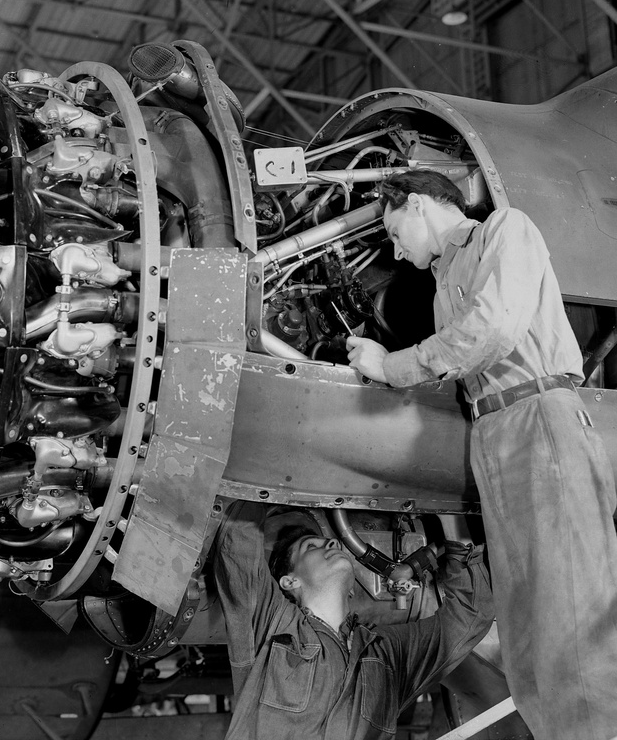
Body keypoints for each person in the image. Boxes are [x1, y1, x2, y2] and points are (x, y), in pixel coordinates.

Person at [346, 170, 617, 740]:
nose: (397, 252)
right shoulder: (445, 284)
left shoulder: (505, 229)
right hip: (494, 435)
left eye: (396, 234)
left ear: (420, 204)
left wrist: (389, 366)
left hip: (538, 420)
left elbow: (492, 328)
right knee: (525, 632)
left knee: (571, 613)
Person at [214, 499, 493, 739]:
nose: (332, 542)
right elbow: (239, 544)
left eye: (328, 542)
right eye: (311, 546)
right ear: (289, 581)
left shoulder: (389, 655)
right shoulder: (269, 627)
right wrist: (455, 514)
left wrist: (451, 517)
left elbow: (470, 618)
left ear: (351, 588)